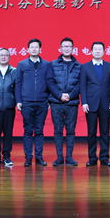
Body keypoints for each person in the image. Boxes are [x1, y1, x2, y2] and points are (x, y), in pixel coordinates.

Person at [46, 37, 81, 166]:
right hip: (56, 102)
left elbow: (80, 84)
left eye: (69, 46)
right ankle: (59, 156)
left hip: (72, 103)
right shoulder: (52, 64)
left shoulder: (79, 66)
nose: (66, 48)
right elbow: (50, 82)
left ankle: (69, 156)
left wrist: (70, 96)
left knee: (71, 130)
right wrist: (59, 95)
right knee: (58, 130)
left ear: (73, 49)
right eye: (64, 46)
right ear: (60, 48)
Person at [80, 41, 110, 166]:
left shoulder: (109, 66)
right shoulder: (85, 67)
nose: (98, 51)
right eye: (95, 49)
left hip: (105, 103)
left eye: (100, 49)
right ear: (91, 51)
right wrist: (84, 102)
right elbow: (83, 86)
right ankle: (92, 157)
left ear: (104, 51)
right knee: (91, 132)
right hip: (91, 103)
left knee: (105, 131)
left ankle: (104, 157)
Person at [16, 38, 50, 167]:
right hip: (27, 102)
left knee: (39, 130)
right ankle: (28, 157)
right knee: (28, 130)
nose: (34, 49)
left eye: (36, 47)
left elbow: (50, 83)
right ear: (28, 49)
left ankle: (39, 157)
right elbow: (18, 84)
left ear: (40, 49)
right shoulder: (22, 64)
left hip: (42, 102)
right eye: (32, 47)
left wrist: (48, 100)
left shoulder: (46, 64)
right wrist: (19, 101)